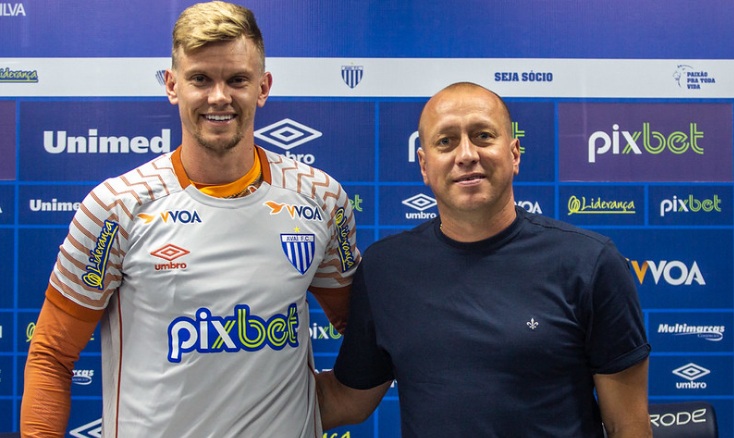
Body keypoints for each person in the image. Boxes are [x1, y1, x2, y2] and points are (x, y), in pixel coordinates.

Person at [21, 2, 360, 436]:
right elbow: (52, 355)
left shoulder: (321, 198)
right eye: (200, 79)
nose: (219, 97)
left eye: (237, 80)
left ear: (262, 87)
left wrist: (333, 405)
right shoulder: (115, 207)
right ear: (172, 85)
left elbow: (364, 332)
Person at [316, 82, 652, 437]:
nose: (466, 155)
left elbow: (627, 426)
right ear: (424, 166)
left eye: (483, 136)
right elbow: (347, 400)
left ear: (514, 154)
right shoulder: (385, 269)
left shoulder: (589, 263)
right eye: (446, 141)